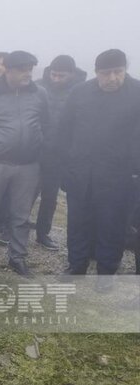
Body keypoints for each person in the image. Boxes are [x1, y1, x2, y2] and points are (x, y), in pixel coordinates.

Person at [57, 49, 140, 285]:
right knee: (78, 223)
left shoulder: (137, 93)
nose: (112, 78)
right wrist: (66, 168)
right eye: (106, 73)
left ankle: (106, 271)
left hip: (120, 176)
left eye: (118, 72)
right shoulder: (80, 93)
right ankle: (77, 266)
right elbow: (64, 131)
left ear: (126, 69)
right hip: (81, 173)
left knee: (111, 225)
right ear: (96, 73)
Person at [0, 51, 49, 276]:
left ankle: (17, 257)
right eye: (22, 69)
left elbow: (46, 124)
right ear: (8, 70)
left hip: (28, 165)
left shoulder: (39, 94)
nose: (27, 74)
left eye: (30, 69)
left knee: (21, 216)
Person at [33, 55, 86, 251]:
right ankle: (13, 228)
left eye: (61, 76)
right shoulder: (37, 86)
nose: (56, 79)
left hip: (59, 154)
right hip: (35, 150)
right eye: (53, 75)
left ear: (71, 74)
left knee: (49, 196)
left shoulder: (81, 92)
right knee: (27, 193)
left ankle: (42, 233)